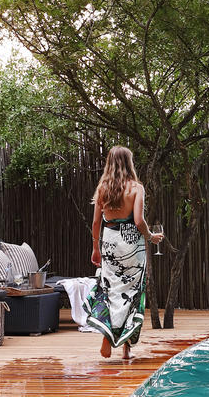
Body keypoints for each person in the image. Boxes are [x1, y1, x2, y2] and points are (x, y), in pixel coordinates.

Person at [85, 146, 163, 359]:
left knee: (111, 289)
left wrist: (95, 248)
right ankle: (127, 348)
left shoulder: (103, 188)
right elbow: (138, 221)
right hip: (132, 246)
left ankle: (107, 337)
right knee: (132, 293)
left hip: (110, 241)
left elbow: (95, 222)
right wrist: (151, 237)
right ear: (129, 163)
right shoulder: (136, 188)